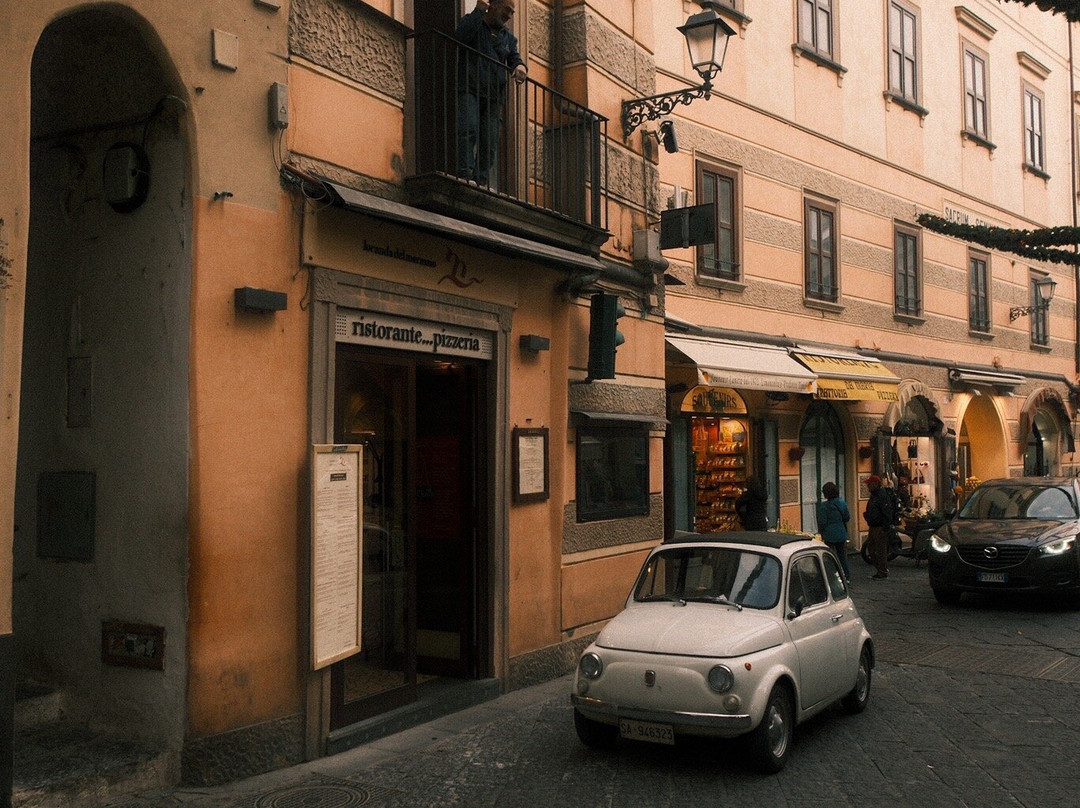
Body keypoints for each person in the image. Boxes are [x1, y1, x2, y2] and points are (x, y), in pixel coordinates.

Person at [455, 0, 527, 186]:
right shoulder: (474, 23)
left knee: (490, 142)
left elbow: (514, 57)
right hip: (470, 88)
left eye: (512, 12)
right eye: (507, 10)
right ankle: (465, 174)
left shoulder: (508, 38)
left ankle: (481, 180)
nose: (509, 15)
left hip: (494, 96)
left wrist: (519, 66)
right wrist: (478, 10)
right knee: (468, 129)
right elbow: (460, 37)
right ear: (494, 5)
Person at [817, 482, 851, 581]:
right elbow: (847, 517)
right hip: (841, 533)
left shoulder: (824, 506)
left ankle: (831, 576)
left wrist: (821, 533)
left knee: (829, 557)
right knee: (842, 557)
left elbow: (822, 521)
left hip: (829, 535)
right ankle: (846, 576)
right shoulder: (842, 503)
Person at [863, 474, 896, 580]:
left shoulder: (882, 496)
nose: (868, 487)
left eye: (869, 484)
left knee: (880, 550)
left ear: (875, 484)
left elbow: (887, 513)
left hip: (879, 527)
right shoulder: (875, 495)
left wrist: (885, 528)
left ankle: (882, 571)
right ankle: (880, 569)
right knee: (871, 548)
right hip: (873, 526)